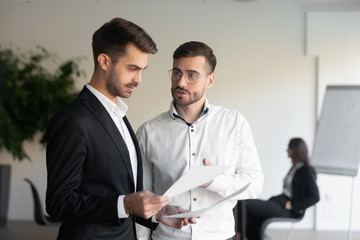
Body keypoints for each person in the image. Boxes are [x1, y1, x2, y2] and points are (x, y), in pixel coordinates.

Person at [46, 18, 193, 240]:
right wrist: (124, 204)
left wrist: (156, 213)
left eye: (142, 69)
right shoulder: (72, 120)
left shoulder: (119, 116)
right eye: (132, 68)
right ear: (105, 61)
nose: (139, 79)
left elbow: (115, 193)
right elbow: (58, 203)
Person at [136, 41, 264, 240]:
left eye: (192, 75)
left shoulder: (234, 123)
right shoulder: (148, 131)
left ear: (210, 80)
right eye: (177, 73)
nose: (181, 82)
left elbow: (254, 184)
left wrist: (214, 181)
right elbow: (141, 196)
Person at [236, 137, 320, 240]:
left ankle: (239, 236)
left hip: (288, 209)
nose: (287, 150)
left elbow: (315, 197)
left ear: (295, 150)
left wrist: (293, 205)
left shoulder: (307, 170)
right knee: (249, 208)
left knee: (245, 203)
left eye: (289, 147)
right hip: (280, 202)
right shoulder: (295, 168)